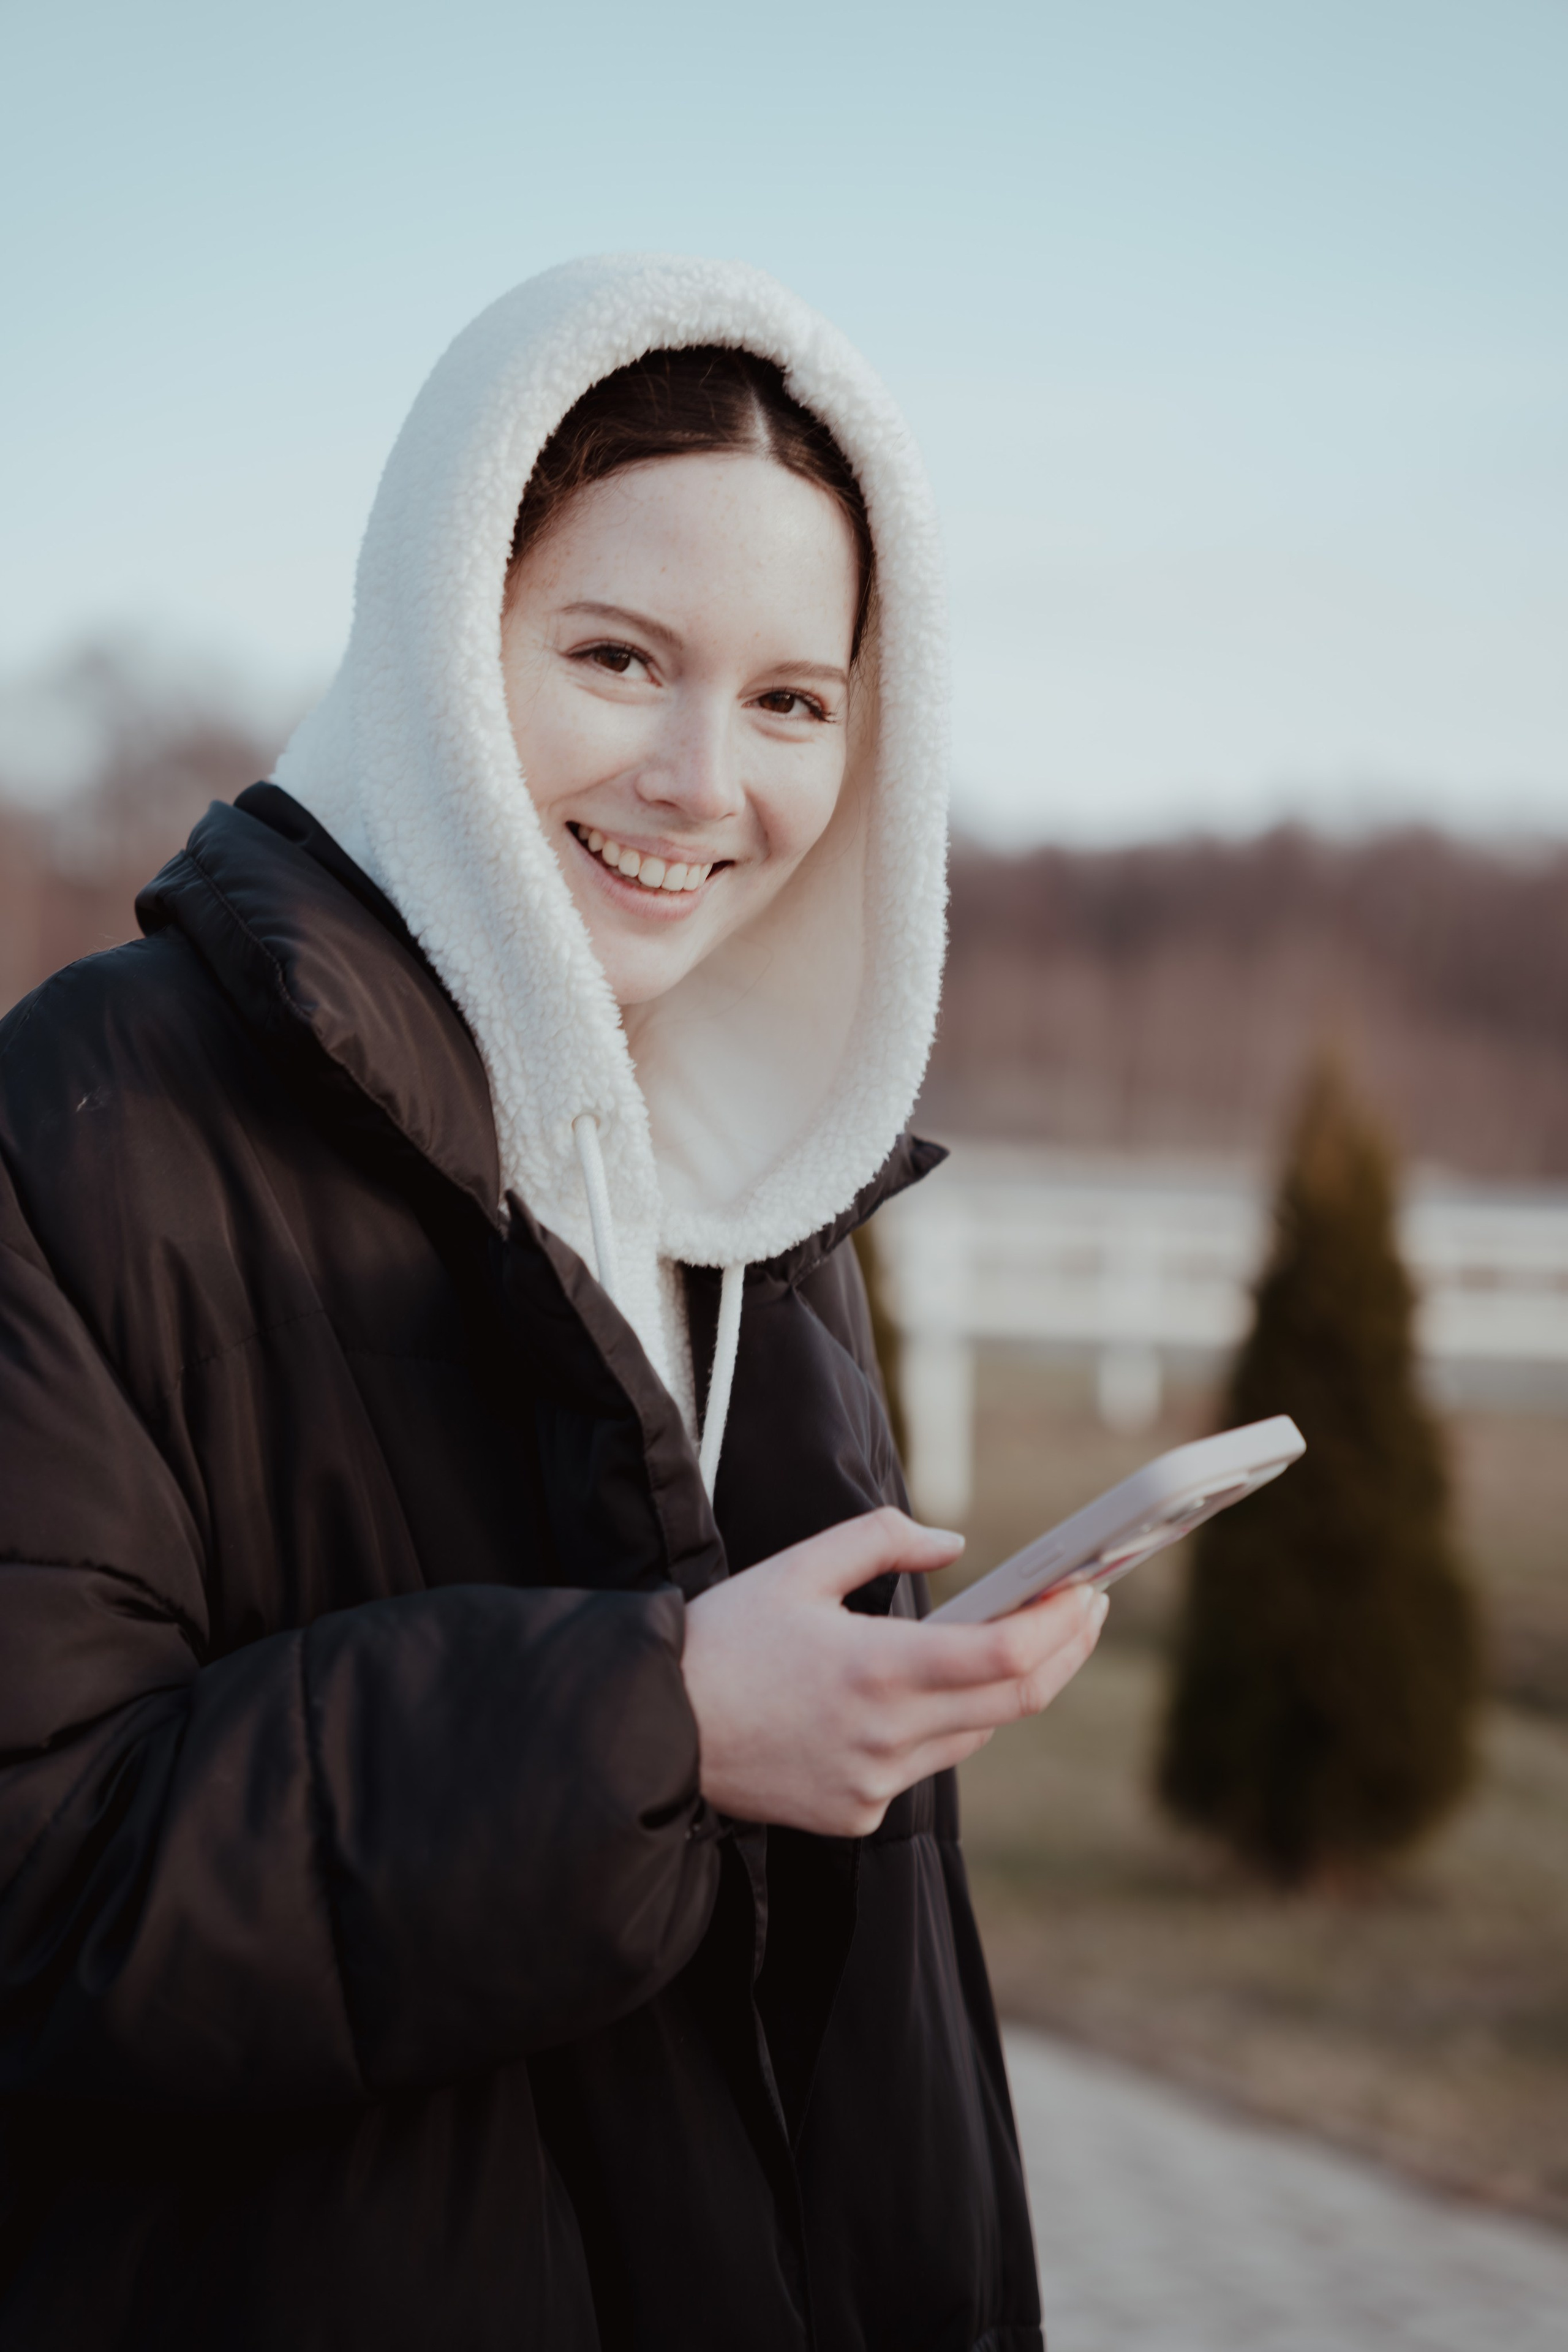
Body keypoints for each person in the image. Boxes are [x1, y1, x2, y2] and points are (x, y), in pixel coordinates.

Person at [0, 255, 1106, 2350]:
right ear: (441, 638)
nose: (708, 779)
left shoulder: (759, 1176)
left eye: (795, 699)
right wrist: (657, 1724)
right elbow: (42, 1882)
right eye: (617, 657)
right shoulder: (85, 1118)